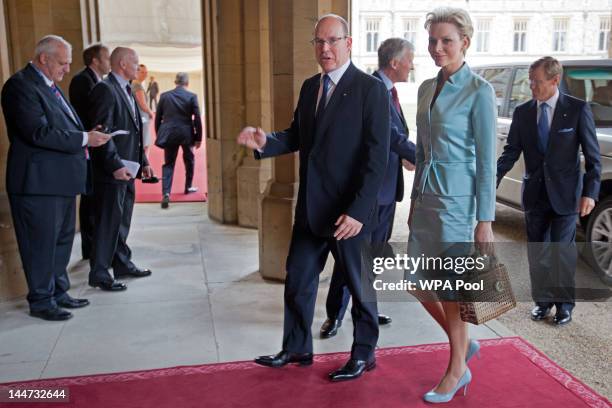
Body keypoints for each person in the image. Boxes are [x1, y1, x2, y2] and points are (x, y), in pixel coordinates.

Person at [237, 14, 389, 382]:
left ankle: (364, 353)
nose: (325, 49)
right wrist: (265, 142)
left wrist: (358, 212)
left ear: (348, 43)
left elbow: (377, 158)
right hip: (311, 208)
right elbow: (297, 135)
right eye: (319, 42)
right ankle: (297, 347)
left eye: (332, 41)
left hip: (348, 215)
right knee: (299, 279)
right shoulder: (310, 87)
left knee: (359, 285)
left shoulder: (370, 90)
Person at [407, 8, 496, 403]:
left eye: (446, 40)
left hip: (457, 205)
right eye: (432, 41)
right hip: (424, 198)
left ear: (465, 42)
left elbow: (486, 160)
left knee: (450, 288)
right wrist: (412, 198)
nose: (437, 47)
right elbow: (422, 149)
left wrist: (485, 219)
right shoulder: (426, 87)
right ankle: (463, 345)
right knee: (416, 282)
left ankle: (457, 368)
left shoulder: (480, 90)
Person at [1, 35, 111, 320]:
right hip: (37, 183)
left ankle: (59, 292)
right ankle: (41, 300)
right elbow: (37, 132)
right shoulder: (19, 86)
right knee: (40, 244)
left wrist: (87, 132)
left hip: (59, 181)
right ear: (43, 59)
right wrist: (85, 138)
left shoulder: (51, 87)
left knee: (61, 241)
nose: (66, 69)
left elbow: (63, 126)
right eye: (62, 63)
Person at [320, 37, 416, 339]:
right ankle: (335, 314)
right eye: (410, 59)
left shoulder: (391, 92)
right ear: (395, 62)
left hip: (388, 191)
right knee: (352, 260)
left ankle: (366, 309)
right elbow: (391, 136)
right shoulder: (372, 89)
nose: (413, 65)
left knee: (374, 258)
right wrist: (425, 158)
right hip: (368, 194)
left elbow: (390, 139)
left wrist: (403, 158)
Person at [497, 56, 601, 326]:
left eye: (537, 82)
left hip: (566, 195)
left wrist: (590, 192)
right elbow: (511, 152)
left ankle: (564, 305)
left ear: (555, 81)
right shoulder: (523, 112)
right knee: (538, 252)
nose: (531, 86)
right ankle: (542, 302)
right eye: (530, 81)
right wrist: (490, 183)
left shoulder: (577, 110)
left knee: (561, 252)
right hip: (535, 195)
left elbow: (593, 157)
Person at [87, 47, 155, 292]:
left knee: (122, 219)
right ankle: (100, 272)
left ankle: (122, 263)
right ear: (123, 64)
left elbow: (134, 130)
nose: (138, 67)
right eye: (135, 63)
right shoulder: (105, 90)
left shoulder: (127, 89)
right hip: (112, 171)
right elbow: (103, 132)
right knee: (108, 222)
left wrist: (143, 161)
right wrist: (115, 165)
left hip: (129, 167)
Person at [69, 43, 111, 261]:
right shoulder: (82, 80)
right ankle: (90, 247)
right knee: (90, 199)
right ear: (95, 60)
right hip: (88, 146)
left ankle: (96, 245)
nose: (109, 61)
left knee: (95, 198)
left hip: (95, 144)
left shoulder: (96, 80)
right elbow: (83, 114)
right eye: (106, 57)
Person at [155, 72, 203, 209]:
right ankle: (188, 187)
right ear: (187, 83)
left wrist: (160, 134)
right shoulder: (192, 96)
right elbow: (197, 119)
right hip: (186, 133)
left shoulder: (164, 96)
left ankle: (166, 193)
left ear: (175, 82)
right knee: (189, 160)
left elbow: (158, 118)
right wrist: (198, 137)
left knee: (168, 163)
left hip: (169, 134)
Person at [132, 64, 154, 157]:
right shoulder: (137, 85)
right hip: (142, 118)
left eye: (146, 72)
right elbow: (143, 105)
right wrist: (151, 113)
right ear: (136, 72)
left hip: (139, 117)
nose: (145, 74)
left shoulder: (134, 84)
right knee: (145, 144)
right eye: (142, 72)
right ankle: (144, 168)